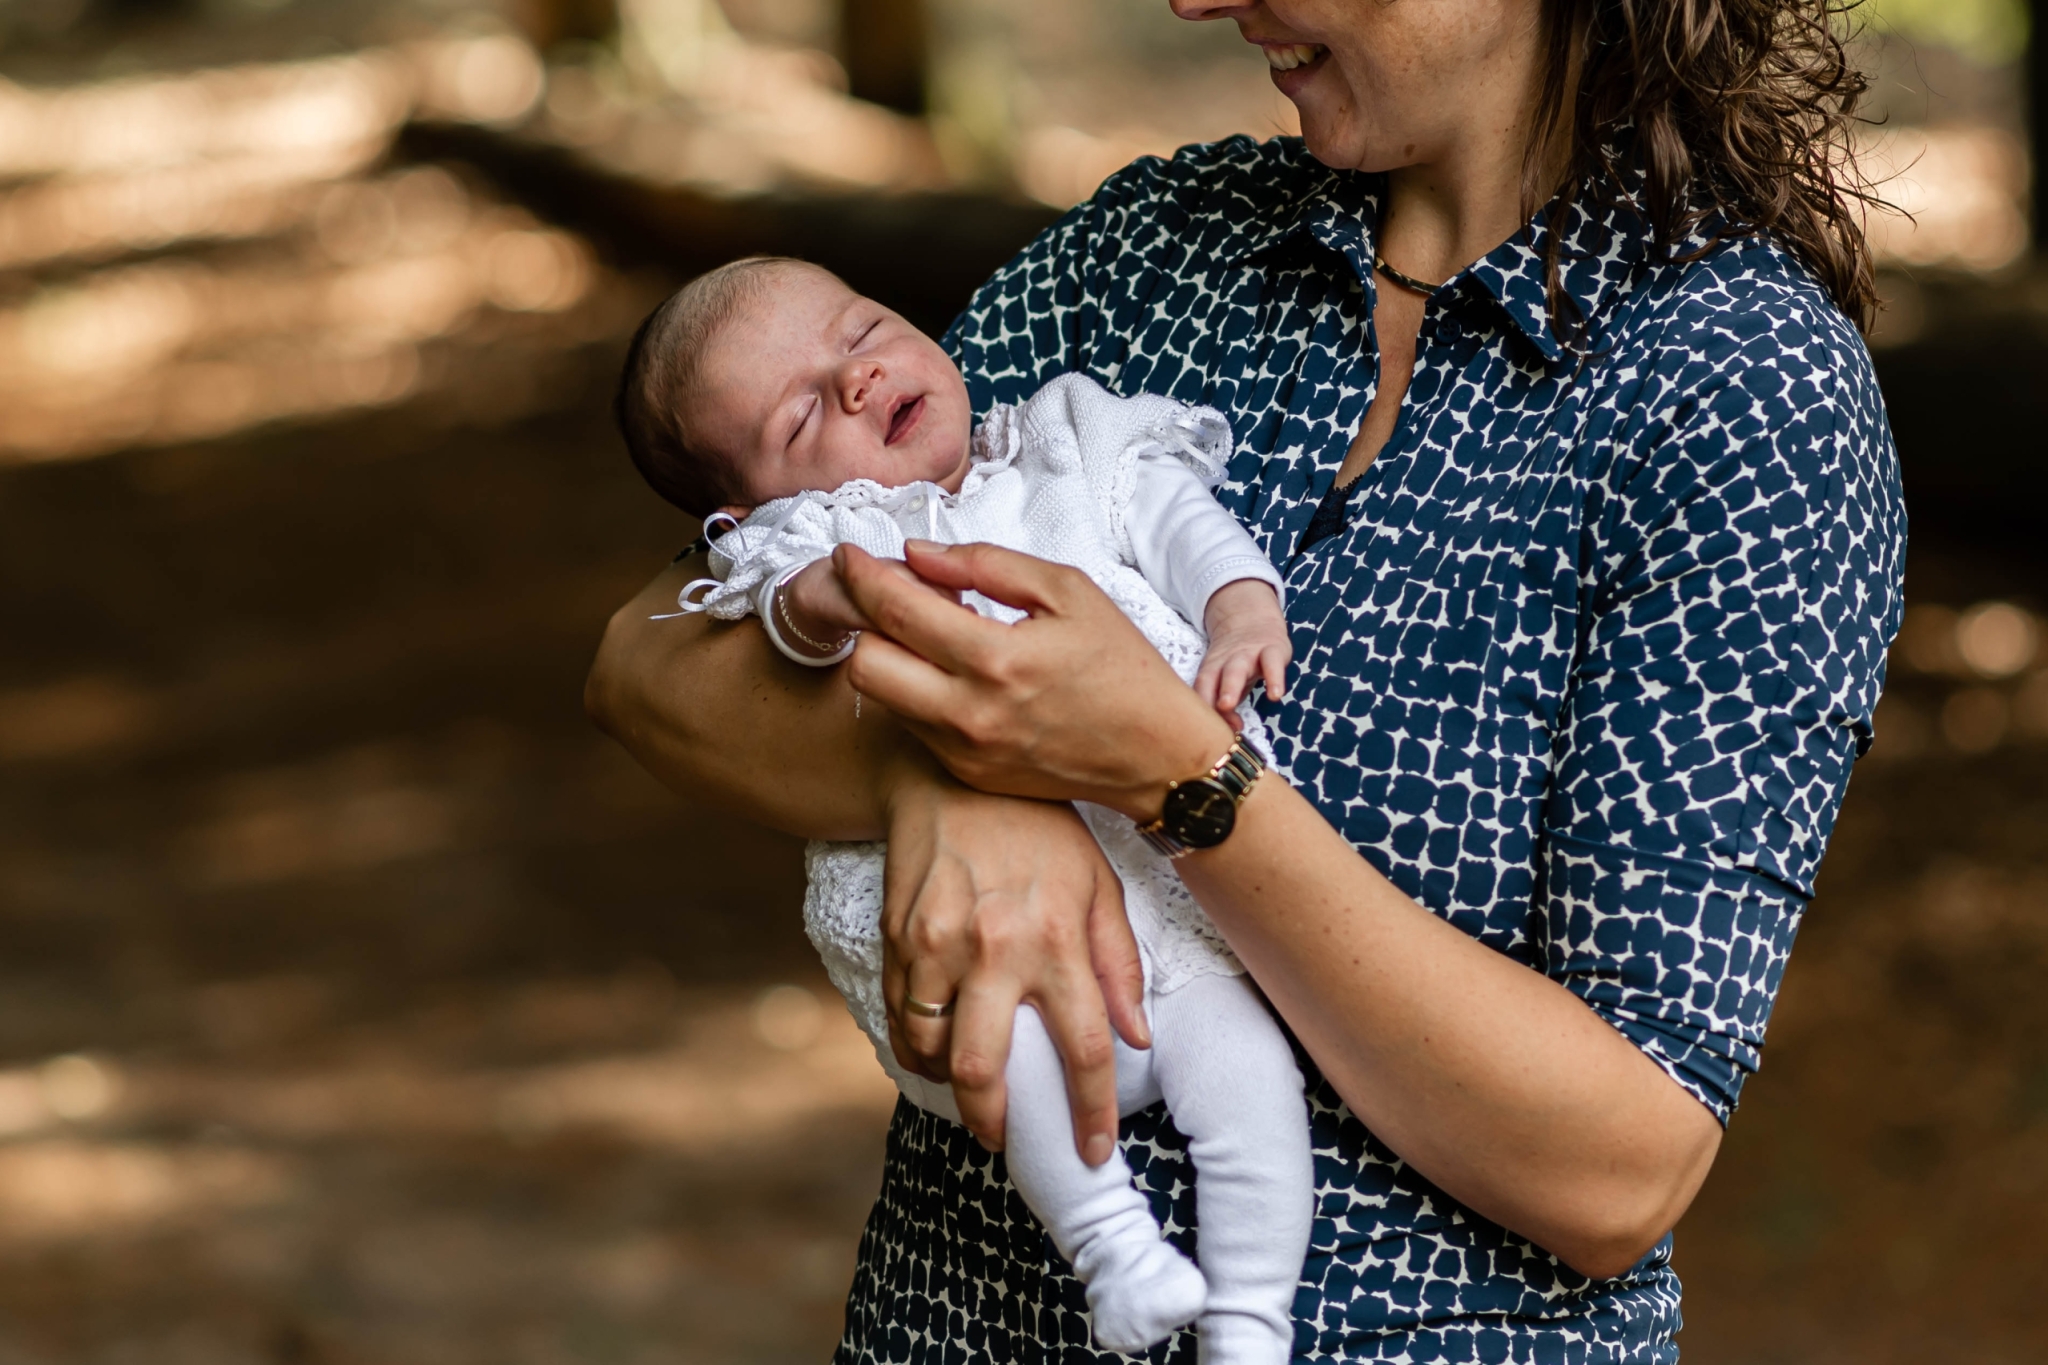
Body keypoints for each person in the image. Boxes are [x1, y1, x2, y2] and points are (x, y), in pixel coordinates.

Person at [585, 0, 1906, 1359]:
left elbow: (1617, 1169)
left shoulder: (1742, 395)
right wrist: (956, 764)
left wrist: (1171, 777)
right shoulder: (1158, 250)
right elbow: (653, 658)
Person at [613, 255, 1313, 1362]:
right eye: (802, 413)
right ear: (750, 505)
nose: (855, 378)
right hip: (994, 940)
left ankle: (1248, 1321)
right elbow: (758, 623)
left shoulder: (1065, 441)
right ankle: (1109, 1248)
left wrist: (1235, 610)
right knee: (1014, 1052)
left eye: (863, 329)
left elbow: (1181, 521)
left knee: (1246, 1076)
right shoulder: (828, 535)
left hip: (1175, 906)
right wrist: (829, 593)